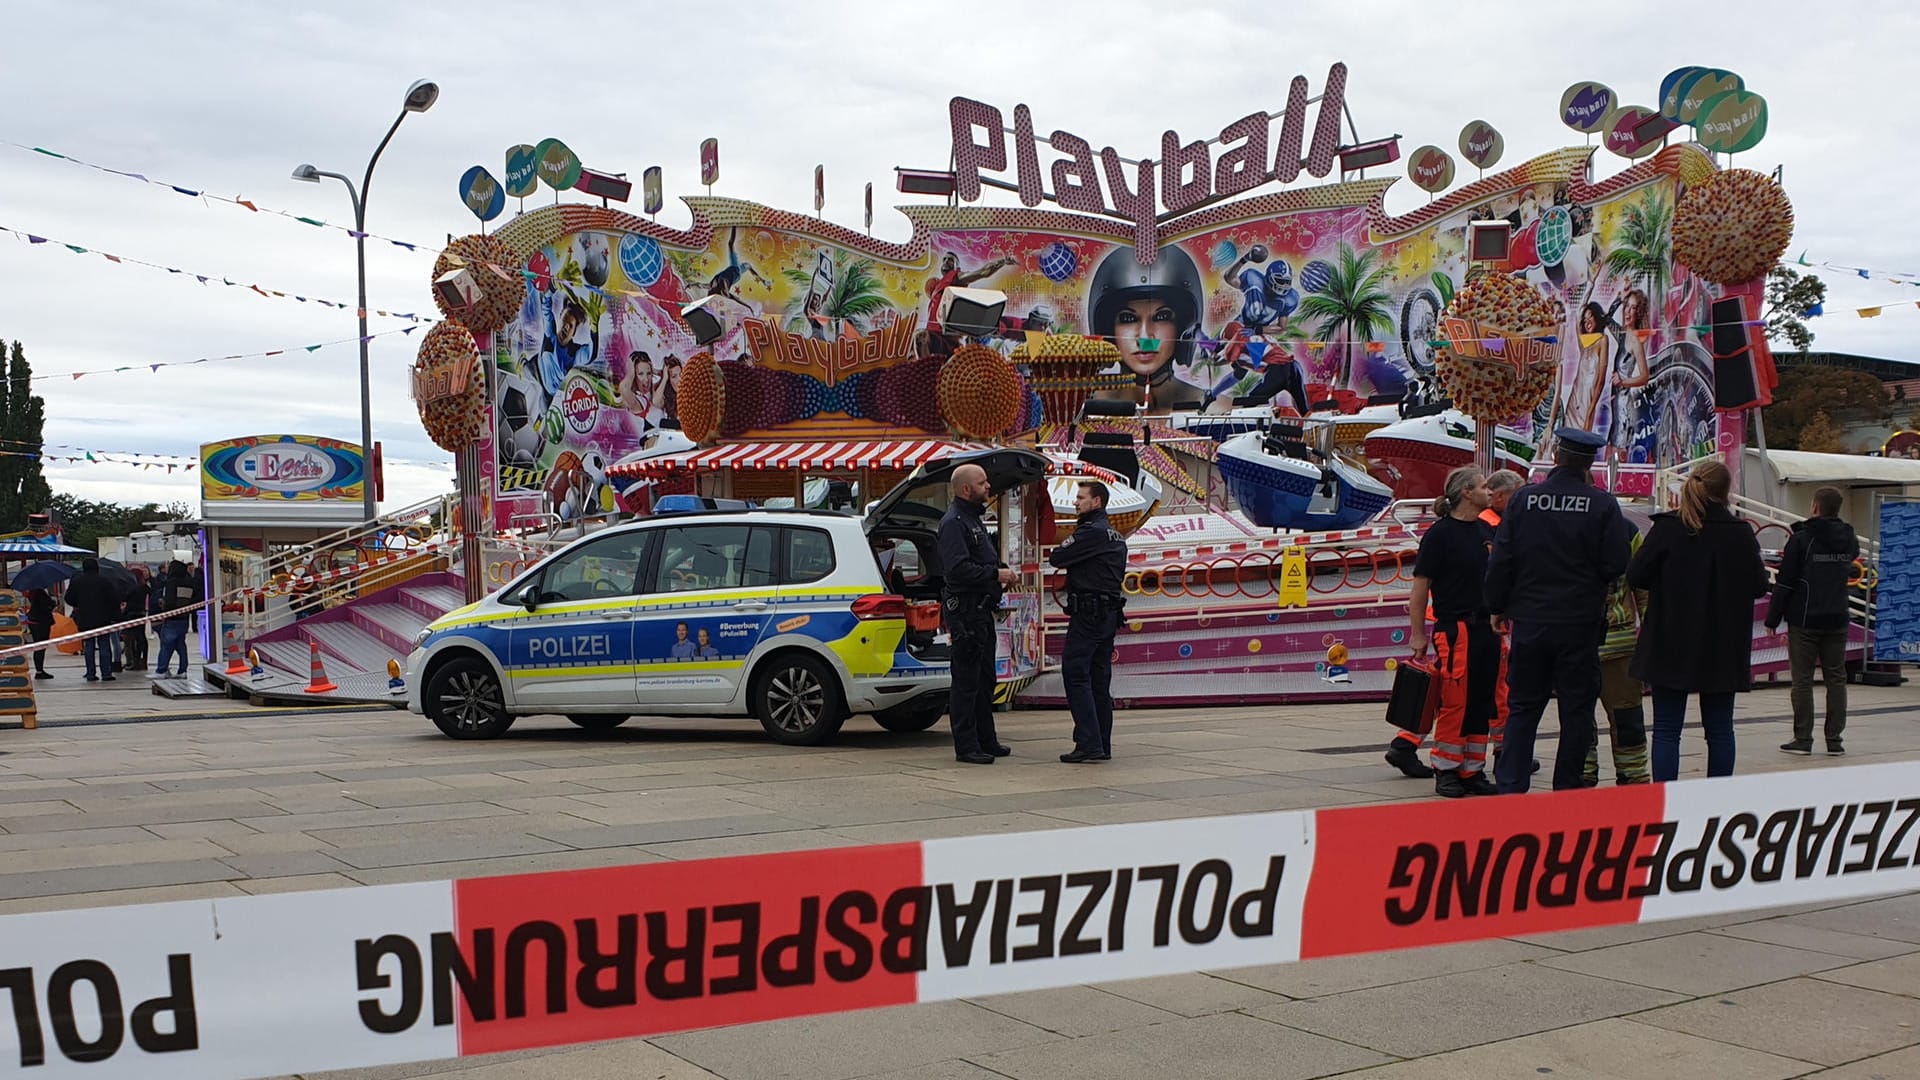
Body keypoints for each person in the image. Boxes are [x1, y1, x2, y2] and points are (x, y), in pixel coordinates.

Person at [1484, 428, 1634, 793]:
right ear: (1589, 463)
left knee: (1522, 707)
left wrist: (1497, 606)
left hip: (1532, 621)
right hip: (1579, 623)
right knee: (1577, 710)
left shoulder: (1523, 501)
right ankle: (1567, 788)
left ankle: (1511, 786)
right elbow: (1617, 561)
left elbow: (1502, 559)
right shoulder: (1601, 504)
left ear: (1555, 456)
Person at [1628, 460, 1769, 781]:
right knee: (1720, 730)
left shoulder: (1668, 528)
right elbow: (1759, 584)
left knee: (1666, 729)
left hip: (1669, 639)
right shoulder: (1740, 533)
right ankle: (1715, 802)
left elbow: (1637, 574)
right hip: (1723, 642)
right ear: (1726, 491)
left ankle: (1667, 800)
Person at [1391, 467, 1501, 797]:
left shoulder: (1485, 530)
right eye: (1483, 487)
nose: (1489, 491)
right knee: (1457, 701)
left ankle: (1472, 769)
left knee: (1483, 701)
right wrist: (1417, 634)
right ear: (1467, 493)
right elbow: (1420, 587)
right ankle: (1446, 769)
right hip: (1456, 628)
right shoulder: (1440, 535)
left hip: (1487, 627)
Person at [1767, 485, 1859, 756]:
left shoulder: (1802, 539)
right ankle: (1835, 740)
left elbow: (1785, 582)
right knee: (1836, 679)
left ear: (1815, 507)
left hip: (1805, 618)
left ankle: (1803, 738)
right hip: (1838, 617)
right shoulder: (1848, 538)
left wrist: (1773, 618)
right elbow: (1848, 561)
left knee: (1803, 680)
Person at [938, 462, 1017, 765]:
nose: (989, 487)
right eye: (983, 483)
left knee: (985, 678)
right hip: (966, 612)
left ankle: (987, 739)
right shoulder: (954, 523)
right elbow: (957, 570)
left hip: (982, 610)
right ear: (966, 489)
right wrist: (996, 574)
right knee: (967, 680)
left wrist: (998, 576)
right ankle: (967, 745)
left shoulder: (973, 520)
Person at [1049, 480, 1128, 763]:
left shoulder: (1090, 533)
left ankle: (1088, 742)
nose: (1076, 503)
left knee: (1075, 673)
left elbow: (1057, 556)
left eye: (1081, 498)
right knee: (1098, 679)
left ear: (1097, 502)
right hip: (1107, 615)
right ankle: (1101, 743)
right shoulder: (1115, 535)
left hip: (1088, 616)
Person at [1087, 245, 1207, 413]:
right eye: (1128, 318)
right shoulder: (1082, 410)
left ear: (1183, 327)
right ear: (1108, 329)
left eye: (1162, 317)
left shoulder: (1213, 408)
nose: (1145, 338)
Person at [1584, 529, 1651, 785]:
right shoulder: (1626, 529)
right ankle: (1630, 777)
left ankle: (1587, 775)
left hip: (1584, 643)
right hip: (1611, 642)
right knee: (1624, 718)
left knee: (1584, 718)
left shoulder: (1559, 521)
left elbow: (1643, 586)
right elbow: (1644, 588)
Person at [925, 251, 1014, 339]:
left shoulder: (955, 277)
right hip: (931, 334)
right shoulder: (940, 284)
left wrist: (1002, 262)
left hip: (944, 336)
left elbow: (983, 272)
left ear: (957, 266)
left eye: (950, 260)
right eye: (944, 259)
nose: (946, 261)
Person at [64, 558, 122, 683]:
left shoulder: (77, 582)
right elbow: (114, 599)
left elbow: (68, 598)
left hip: (85, 618)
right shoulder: (105, 581)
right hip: (103, 618)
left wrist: (79, 603)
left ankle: (90, 673)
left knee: (88, 646)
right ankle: (106, 673)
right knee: (104, 646)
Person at [151, 561, 202, 678]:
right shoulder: (189, 583)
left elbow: (170, 601)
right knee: (181, 645)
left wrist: (162, 604)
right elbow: (194, 599)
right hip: (184, 619)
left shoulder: (171, 582)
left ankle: (161, 670)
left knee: (166, 645)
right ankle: (182, 670)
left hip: (172, 618)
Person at [121, 567, 151, 672]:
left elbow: (125, 597)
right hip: (142, 613)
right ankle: (144, 661)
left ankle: (136, 662)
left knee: (134, 639)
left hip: (132, 615)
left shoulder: (133, 588)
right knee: (142, 637)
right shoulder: (145, 587)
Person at [24, 587, 54, 679]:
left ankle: (39, 670)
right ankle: (39, 671)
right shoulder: (39, 592)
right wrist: (52, 603)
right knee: (40, 647)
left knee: (38, 647)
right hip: (41, 623)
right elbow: (45, 606)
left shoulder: (32, 592)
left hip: (34, 621)